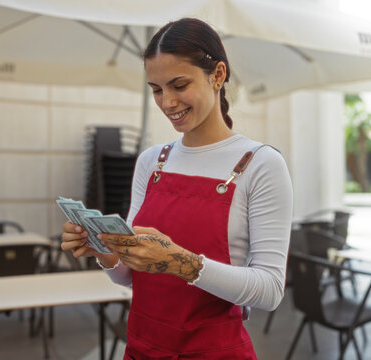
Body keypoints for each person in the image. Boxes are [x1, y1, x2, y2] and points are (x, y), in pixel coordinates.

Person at [61, 18, 292, 359]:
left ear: (217, 75)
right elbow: (130, 275)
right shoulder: (151, 162)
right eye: (156, 89)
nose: (167, 102)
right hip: (142, 349)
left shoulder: (260, 164)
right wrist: (102, 250)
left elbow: (270, 290)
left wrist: (179, 262)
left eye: (179, 85)